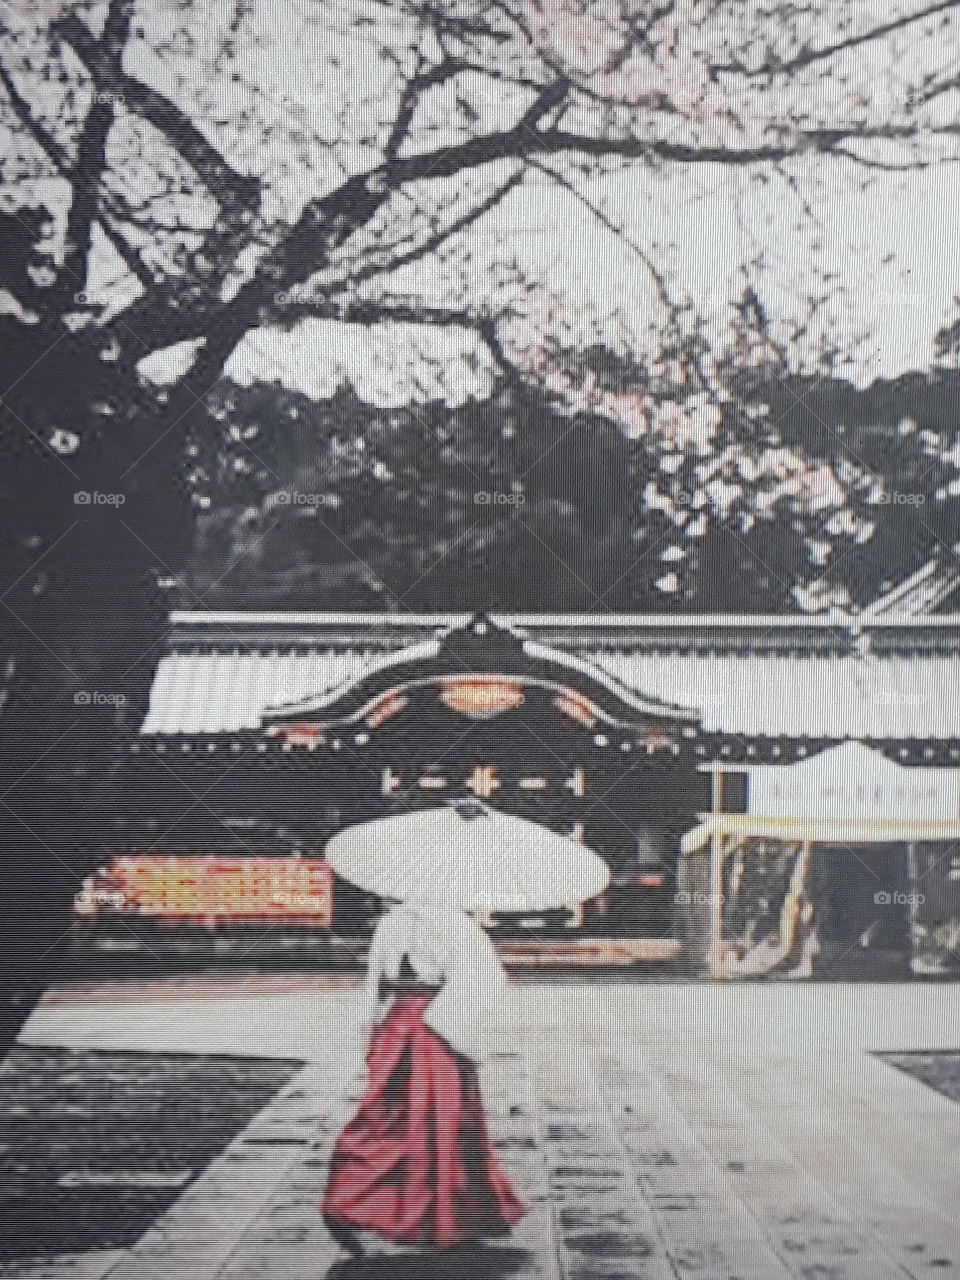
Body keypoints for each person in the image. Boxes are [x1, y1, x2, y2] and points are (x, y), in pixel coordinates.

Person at [320, 894, 526, 1257]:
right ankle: (451, 1213)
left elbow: (377, 980)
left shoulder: (392, 921)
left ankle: (349, 1196)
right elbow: (484, 979)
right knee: (444, 1121)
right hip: (437, 1028)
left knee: (387, 1118)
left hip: (398, 1022)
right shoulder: (457, 922)